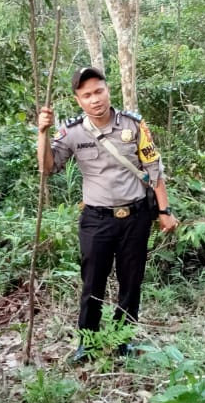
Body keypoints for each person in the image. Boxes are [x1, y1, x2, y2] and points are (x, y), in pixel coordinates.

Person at [37, 67, 178, 360]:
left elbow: (155, 171)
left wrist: (164, 210)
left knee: (131, 282)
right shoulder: (73, 132)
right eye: (86, 95)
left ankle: (123, 340)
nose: (95, 99)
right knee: (92, 283)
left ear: (107, 89)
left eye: (98, 91)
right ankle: (87, 343)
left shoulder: (133, 125)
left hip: (136, 217)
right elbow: (47, 168)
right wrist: (42, 133)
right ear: (78, 100)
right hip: (96, 220)